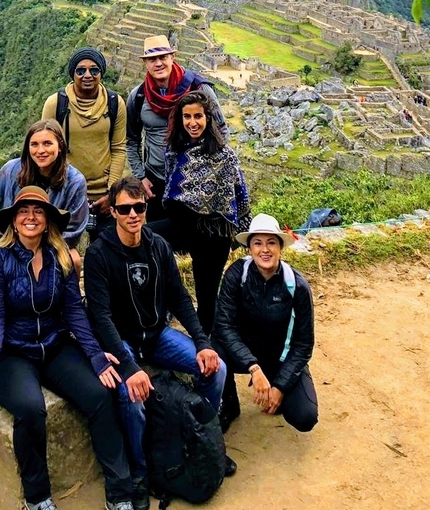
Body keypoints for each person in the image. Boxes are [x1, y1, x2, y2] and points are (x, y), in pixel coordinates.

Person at [0, 186, 143, 510]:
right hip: (14, 352)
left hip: (55, 344)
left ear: (48, 221)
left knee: (101, 394)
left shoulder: (59, 259)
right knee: (31, 409)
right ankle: (38, 499)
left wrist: (95, 356)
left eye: (38, 211)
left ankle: (120, 497)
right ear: (13, 222)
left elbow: (74, 312)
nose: (31, 217)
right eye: (23, 212)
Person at [84, 176, 233, 510]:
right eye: (125, 209)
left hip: (156, 333)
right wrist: (130, 367)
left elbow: (180, 298)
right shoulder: (98, 255)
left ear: (146, 209)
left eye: (139, 207)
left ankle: (201, 438)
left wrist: (202, 343)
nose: (133, 214)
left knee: (217, 369)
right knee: (132, 399)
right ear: (114, 212)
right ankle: (139, 472)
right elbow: (102, 317)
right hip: (122, 340)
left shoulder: (158, 246)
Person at [212, 214, 318, 434]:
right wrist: (253, 367)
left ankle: (277, 388)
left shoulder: (297, 286)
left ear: (281, 247)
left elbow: (303, 343)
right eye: (257, 243)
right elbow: (224, 325)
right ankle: (229, 403)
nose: (265, 250)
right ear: (249, 248)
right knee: (215, 349)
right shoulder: (236, 275)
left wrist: (281, 385)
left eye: (271, 242)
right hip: (245, 352)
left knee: (305, 416)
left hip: (279, 355)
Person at [163, 91, 251, 334]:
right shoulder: (174, 152)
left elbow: (239, 195)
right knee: (148, 240)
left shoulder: (225, 156)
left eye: (198, 116)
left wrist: (244, 233)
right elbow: (173, 191)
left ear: (208, 118)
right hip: (183, 226)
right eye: (187, 117)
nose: (193, 122)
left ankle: (206, 349)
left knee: (207, 296)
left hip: (214, 234)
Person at [126, 35, 226, 224]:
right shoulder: (138, 96)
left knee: (196, 242)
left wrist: (209, 171)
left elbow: (221, 130)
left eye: (163, 57)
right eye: (152, 59)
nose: (158, 63)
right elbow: (131, 140)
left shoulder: (199, 89)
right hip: (156, 182)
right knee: (161, 243)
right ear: (145, 63)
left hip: (197, 181)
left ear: (173, 57)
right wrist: (141, 176)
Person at [0, 119, 88, 267]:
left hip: (50, 248)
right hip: (6, 244)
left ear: (60, 146)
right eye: (34, 144)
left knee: (74, 259)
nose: (40, 151)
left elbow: (72, 231)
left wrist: (37, 252)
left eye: (47, 143)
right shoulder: (9, 172)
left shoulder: (75, 182)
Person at [41, 47, 126, 234]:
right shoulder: (56, 103)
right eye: (81, 70)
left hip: (102, 195)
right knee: (63, 253)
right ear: (73, 73)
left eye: (94, 70)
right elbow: (43, 148)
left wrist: (111, 193)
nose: (87, 75)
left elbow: (119, 149)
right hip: (65, 192)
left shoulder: (114, 103)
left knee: (105, 253)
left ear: (101, 73)